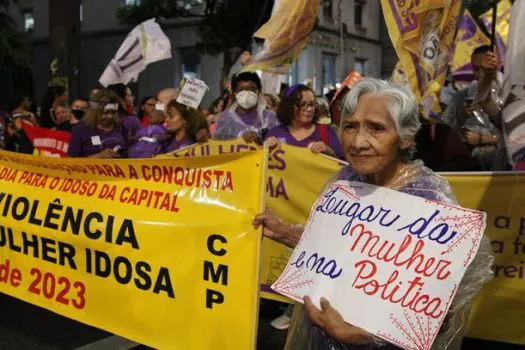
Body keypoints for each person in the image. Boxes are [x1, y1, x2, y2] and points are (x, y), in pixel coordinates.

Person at [253, 78, 494, 350]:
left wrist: (367, 335)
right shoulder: (346, 179)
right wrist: (286, 231)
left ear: (405, 137)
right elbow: (335, 248)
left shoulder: (427, 200)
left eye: (376, 128)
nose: (358, 142)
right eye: (350, 126)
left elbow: (442, 309)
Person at [442, 45, 504, 170]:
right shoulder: (463, 95)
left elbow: (515, 135)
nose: (478, 72)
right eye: (475, 68)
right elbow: (446, 129)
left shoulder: (509, 91)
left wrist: (485, 139)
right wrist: (462, 115)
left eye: (483, 68)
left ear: (496, 64)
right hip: (470, 165)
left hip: (503, 167)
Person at [264, 84, 343, 159]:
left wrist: (329, 151)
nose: (309, 109)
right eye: (303, 104)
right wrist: (264, 150)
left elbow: (344, 166)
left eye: (311, 104)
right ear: (289, 106)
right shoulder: (275, 134)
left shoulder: (326, 132)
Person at [213, 71, 279, 143]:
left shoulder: (269, 118)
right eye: (241, 89)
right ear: (235, 93)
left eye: (251, 89)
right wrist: (240, 140)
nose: (246, 93)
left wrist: (259, 139)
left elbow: (280, 142)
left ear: (258, 91)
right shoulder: (225, 119)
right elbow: (218, 145)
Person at [68, 91, 129, 159]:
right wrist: (98, 157)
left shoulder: (120, 127)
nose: (110, 116)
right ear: (95, 112)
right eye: (105, 113)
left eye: (113, 112)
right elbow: (71, 161)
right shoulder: (80, 129)